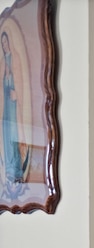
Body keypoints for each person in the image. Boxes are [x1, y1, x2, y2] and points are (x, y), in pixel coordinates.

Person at [1, 30, 26, 184]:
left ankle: (16, 169)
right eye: (2, 43)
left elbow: (21, 82)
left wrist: (17, 93)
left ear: (9, 42)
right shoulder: (2, 63)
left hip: (14, 104)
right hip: (5, 105)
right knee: (6, 135)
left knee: (13, 134)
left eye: (5, 42)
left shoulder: (15, 58)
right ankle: (9, 169)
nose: (4, 46)